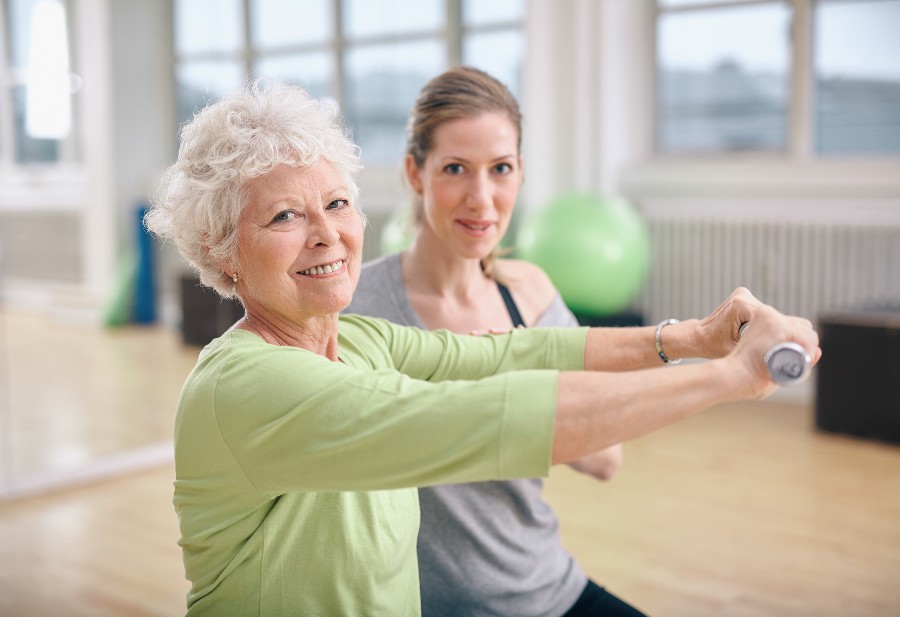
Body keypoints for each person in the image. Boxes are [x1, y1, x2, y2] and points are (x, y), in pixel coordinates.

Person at [144, 79, 820, 617]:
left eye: (339, 203)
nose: (328, 234)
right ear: (219, 252)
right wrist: (731, 377)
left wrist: (696, 338)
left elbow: (509, 356)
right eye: (285, 215)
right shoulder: (248, 384)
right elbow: (486, 416)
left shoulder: (359, 339)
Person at [345, 66, 635, 616]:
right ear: (415, 172)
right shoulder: (358, 305)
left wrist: (517, 368)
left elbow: (604, 459)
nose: (481, 199)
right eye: (455, 168)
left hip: (547, 588)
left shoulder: (526, 295)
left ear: (520, 172)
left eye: (500, 169)